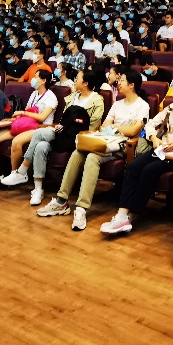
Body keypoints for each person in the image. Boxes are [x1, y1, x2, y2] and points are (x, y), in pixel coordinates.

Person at [37, 70, 149, 232]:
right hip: (106, 140)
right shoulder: (117, 104)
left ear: (131, 85)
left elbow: (133, 131)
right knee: (78, 152)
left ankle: (81, 208)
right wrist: (118, 127)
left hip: (123, 145)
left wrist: (115, 127)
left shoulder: (142, 106)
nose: (119, 82)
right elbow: (104, 126)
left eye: (122, 80)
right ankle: (61, 201)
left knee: (92, 158)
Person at [99, 76, 173, 235]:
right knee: (133, 167)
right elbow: (150, 124)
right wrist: (154, 138)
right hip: (162, 150)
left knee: (148, 171)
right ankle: (121, 214)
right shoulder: (171, 107)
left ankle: (131, 215)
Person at [0, 68, 106, 204]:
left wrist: (68, 127)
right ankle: (38, 189)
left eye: (78, 78)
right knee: (41, 146)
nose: (74, 80)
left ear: (86, 83)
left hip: (78, 136)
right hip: (63, 133)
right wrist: (60, 125)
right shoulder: (72, 97)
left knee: (38, 133)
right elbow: (64, 119)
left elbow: (92, 126)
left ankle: (22, 171)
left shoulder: (97, 100)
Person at [0, 69, 58, 188]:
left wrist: (23, 112)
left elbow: (42, 117)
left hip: (40, 128)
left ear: (43, 80)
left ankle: (15, 174)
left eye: (36, 77)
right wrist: (18, 117)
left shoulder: (51, 97)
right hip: (27, 125)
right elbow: (27, 110)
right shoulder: (34, 94)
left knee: (16, 141)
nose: (33, 79)